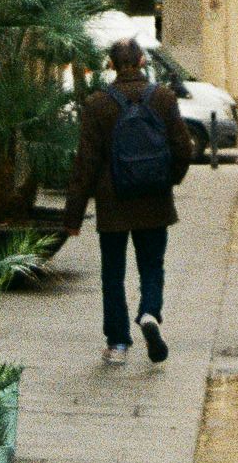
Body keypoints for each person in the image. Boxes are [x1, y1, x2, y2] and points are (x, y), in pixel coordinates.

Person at [64, 38, 192, 364]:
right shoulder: (162, 98)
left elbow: (86, 163)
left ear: (110, 64)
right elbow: (183, 148)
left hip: (113, 201)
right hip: (154, 199)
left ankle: (118, 343)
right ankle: (149, 313)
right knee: (152, 265)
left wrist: (73, 216)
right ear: (141, 62)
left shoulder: (97, 104)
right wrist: (167, 179)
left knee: (113, 273)